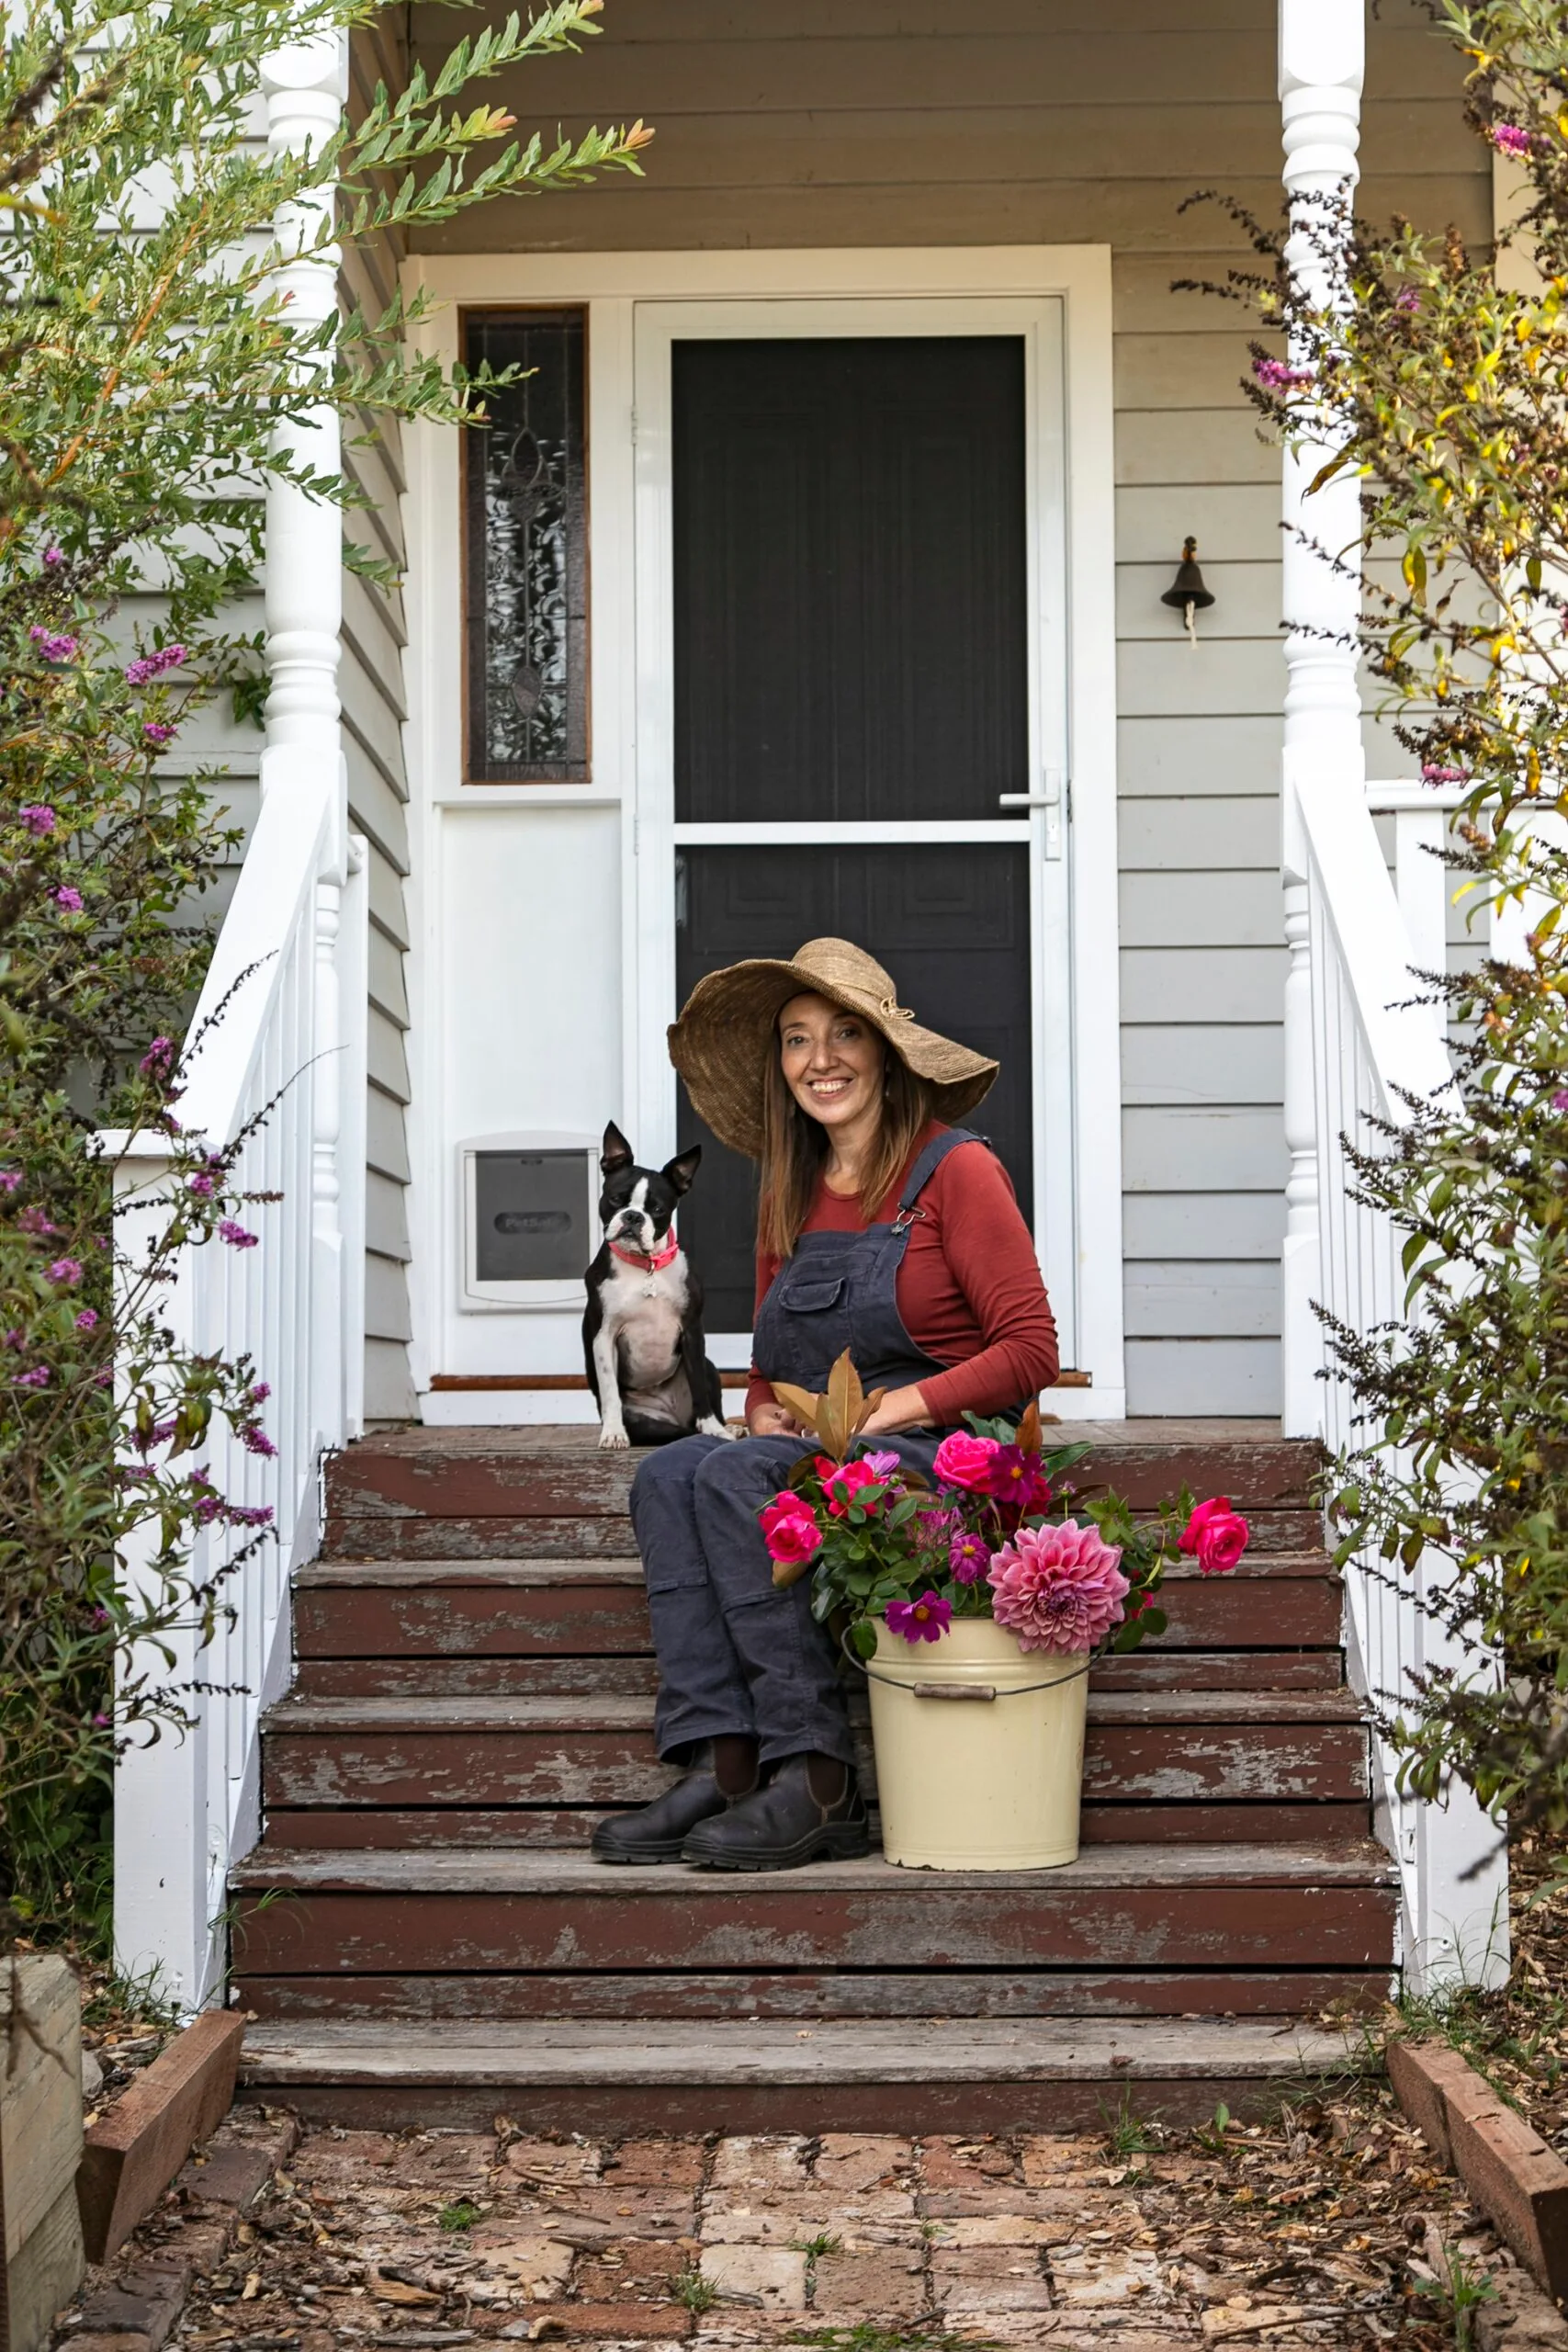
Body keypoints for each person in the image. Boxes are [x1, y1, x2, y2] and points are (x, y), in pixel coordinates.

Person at [590, 937, 1060, 1873]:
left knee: (725, 1474)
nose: (821, 1059)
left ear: (888, 1051)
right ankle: (722, 1758)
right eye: (798, 1040)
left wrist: (901, 1406)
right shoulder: (793, 1190)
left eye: (846, 1033)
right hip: (826, 1451)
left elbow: (1031, 1351)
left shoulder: (956, 1173)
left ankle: (816, 1774)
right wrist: (763, 1403)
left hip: (946, 1459)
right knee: (669, 1474)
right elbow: (772, 1357)